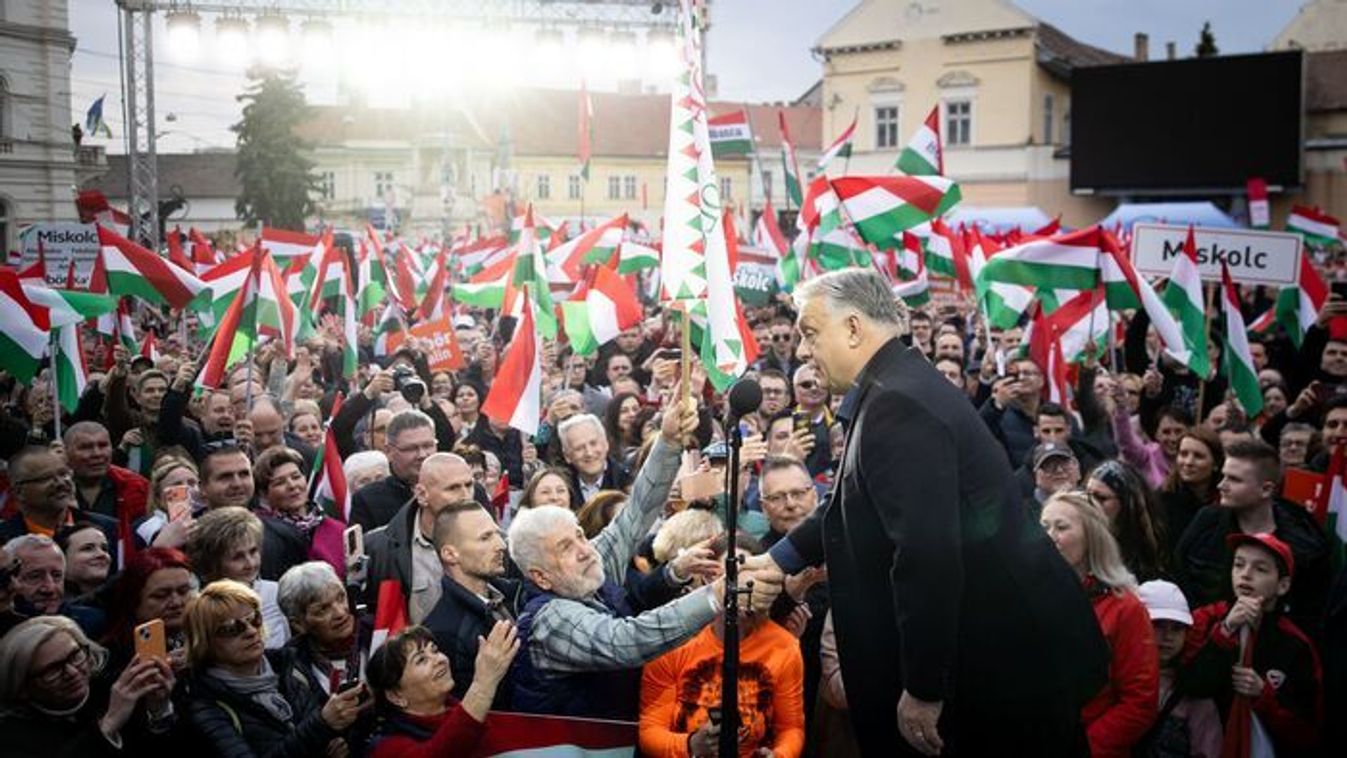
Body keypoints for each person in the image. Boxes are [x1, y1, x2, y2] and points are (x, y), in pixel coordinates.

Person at [745, 269, 1108, 757]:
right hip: (995, 652)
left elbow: (927, 554)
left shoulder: (897, 403)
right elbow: (855, 497)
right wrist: (779, 559)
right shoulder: (897, 384)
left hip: (1002, 664)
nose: (804, 351)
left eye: (810, 333)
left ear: (852, 328)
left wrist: (923, 686)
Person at [508, 398, 731, 720]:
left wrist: (668, 441)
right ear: (540, 577)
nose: (585, 549)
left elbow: (636, 513)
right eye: (565, 547)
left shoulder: (586, 565)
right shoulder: (550, 620)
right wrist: (713, 597)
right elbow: (627, 641)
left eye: (580, 535)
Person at [639, 535, 806, 758]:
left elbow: (791, 729)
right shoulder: (673, 641)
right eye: (734, 575)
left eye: (753, 577)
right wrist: (691, 745)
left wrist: (779, 755)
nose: (744, 587)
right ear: (709, 578)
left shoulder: (783, 646)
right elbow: (649, 731)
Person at [179, 579, 369, 757]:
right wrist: (322, 727)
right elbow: (321, 723)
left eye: (254, 619)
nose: (251, 631)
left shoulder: (288, 664)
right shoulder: (204, 705)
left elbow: (331, 728)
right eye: (231, 628)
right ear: (204, 643)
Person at [1040, 491, 1160, 757]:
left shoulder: (1125, 608)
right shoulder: (1027, 597)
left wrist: (1086, 748)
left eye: (1061, 527)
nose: (1049, 536)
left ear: (1091, 538)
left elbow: (1139, 702)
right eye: (1044, 526)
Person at [1180, 533, 1323, 755]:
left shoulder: (1296, 644)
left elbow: (1308, 732)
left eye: (1260, 569)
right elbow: (1190, 686)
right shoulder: (1205, 619)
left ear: (1283, 585)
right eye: (1239, 565)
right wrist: (1225, 630)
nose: (1245, 574)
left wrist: (1263, 695)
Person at [1176, 439, 1330, 638]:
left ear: (1266, 489)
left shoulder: (1303, 541)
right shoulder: (1207, 522)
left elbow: (1310, 613)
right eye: (1223, 476)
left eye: (1234, 479)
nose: (1222, 485)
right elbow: (1178, 574)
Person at [0, 616, 177, 757]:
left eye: (75, 656)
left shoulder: (119, 688)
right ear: (22, 687)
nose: (72, 672)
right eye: (52, 670)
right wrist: (107, 726)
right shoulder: (11, 735)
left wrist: (159, 709)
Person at [364, 623, 519, 758]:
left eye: (435, 650)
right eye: (421, 660)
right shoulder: (386, 749)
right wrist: (483, 684)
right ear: (396, 696)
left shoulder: (456, 709)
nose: (439, 660)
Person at [423, 501, 522, 705]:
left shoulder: (512, 595)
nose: (501, 545)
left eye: (497, 533)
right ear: (450, 554)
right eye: (485, 538)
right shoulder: (445, 632)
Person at [364, 453, 477, 623]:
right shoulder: (379, 548)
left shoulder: (494, 541)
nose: (465, 496)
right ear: (422, 495)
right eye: (453, 488)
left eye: (469, 485)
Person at [1134, 580, 1223, 757]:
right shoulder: (1112, 678)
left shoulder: (1194, 693)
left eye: (1177, 628)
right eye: (1158, 625)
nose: (1168, 636)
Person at [186, 507, 290, 649]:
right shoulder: (200, 606)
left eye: (253, 552)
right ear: (212, 563)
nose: (250, 563)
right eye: (237, 557)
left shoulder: (276, 592)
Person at [1, 446, 120, 561]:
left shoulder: (111, 530)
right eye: (46, 478)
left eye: (64, 474)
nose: (60, 483)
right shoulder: (4, 542)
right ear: (18, 492)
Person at [253, 447, 346, 578]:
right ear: (264, 493)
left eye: (296, 477)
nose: (292, 485)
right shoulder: (261, 532)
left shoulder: (338, 529)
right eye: (280, 482)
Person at [276, 562, 363, 697]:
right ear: (299, 624)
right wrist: (326, 712)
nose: (340, 613)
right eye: (323, 609)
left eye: (341, 598)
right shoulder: (288, 666)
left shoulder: (379, 634)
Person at [103, 547, 196, 672]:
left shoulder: (207, 635)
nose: (176, 603)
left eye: (183, 591)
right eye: (161, 595)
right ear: (134, 600)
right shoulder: (110, 656)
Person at [351, 410, 439, 533]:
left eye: (428, 446)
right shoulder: (368, 500)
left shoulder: (458, 486)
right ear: (389, 451)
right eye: (411, 449)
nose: (422, 455)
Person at [5, 534, 107, 636]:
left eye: (57, 575)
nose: (50, 588)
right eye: (35, 577)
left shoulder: (92, 624)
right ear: (9, 580)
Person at [1086, 459, 1169, 582]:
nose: (1090, 504)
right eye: (1087, 495)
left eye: (1101, 498)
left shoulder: (1146, 553)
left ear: (1126, 504)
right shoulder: (1081, 540)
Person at [63, 421, 150, 525]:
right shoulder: (54, 487)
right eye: (85, 447)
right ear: (65, 452)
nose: (97, 453)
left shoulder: (138, 487)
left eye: (103, 445)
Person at [1157, 428, 1223, 557]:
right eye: (1183, 454)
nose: (1188, 462)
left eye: (1198, 456)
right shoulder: (1162, 500)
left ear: (1215, 464)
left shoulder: (1224, 501)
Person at [557, 413, 631, 509]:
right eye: (579, 448)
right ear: (567, 456)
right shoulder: (559, 488)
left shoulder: (628, 481)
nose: (589, 453)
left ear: (606, 444)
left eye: (593, 443)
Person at [56, 521, 114, 602]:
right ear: (63, 559)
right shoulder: (53, 603)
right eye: (88, 548)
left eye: (104, 549)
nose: (101, 554)